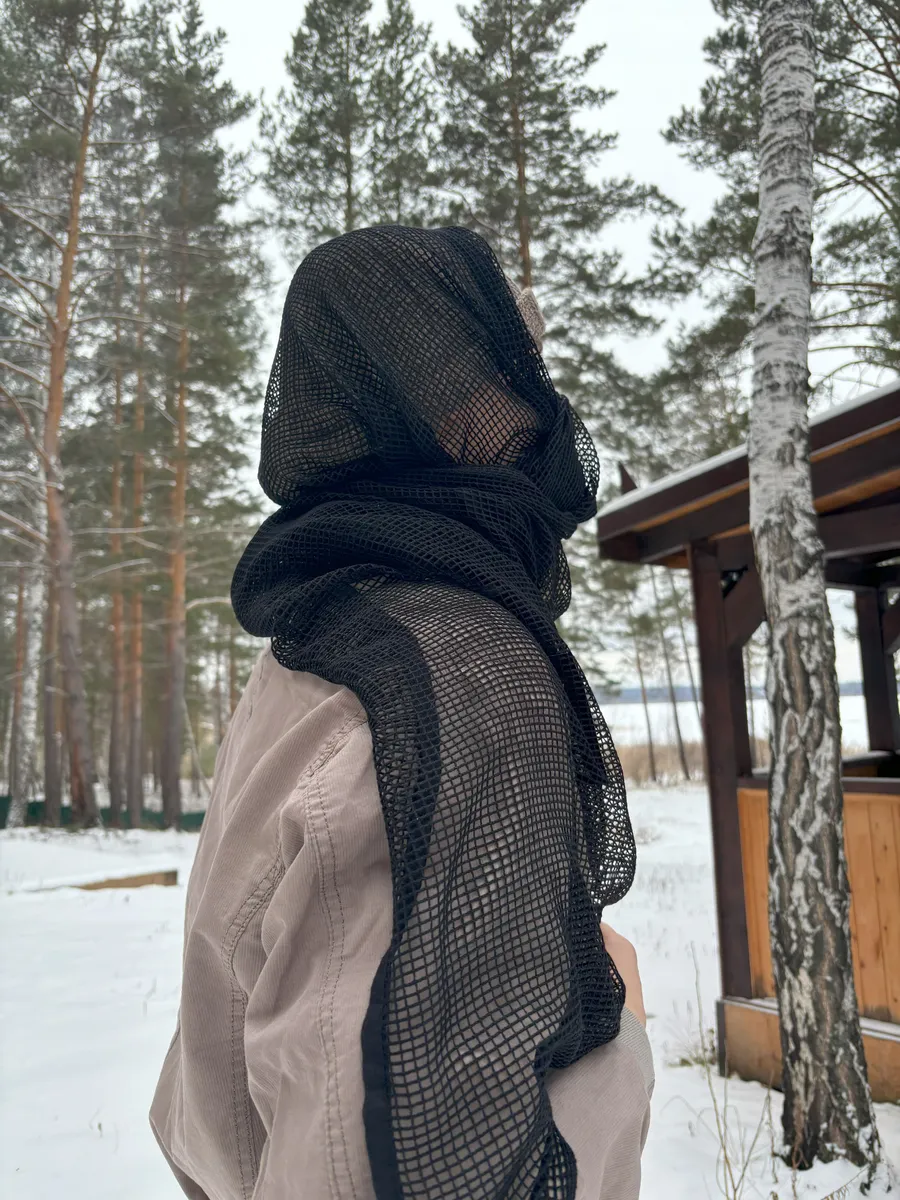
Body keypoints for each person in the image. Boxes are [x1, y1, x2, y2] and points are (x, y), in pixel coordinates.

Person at [149, 225, 652, 1200]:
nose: (545, 409)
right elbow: (404, 1165)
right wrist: (622, 1023)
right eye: (519, 373)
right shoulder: (459, 673)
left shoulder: (319, 632)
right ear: (454, 412)